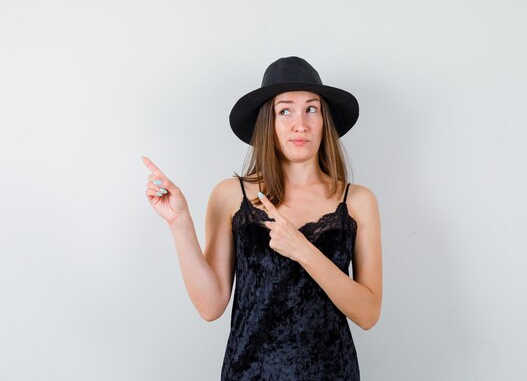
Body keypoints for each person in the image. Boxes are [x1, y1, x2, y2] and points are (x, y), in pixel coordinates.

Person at [142, 56, 382, 381]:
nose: (301, 124)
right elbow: (210, 306)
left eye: (311, 109)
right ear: (268, 122)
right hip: (248, 374)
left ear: (325, 119)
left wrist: (303, 250)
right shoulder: (231, 196)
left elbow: (368, 314)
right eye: (285, 110)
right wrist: (179, 223)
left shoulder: (357, 201)